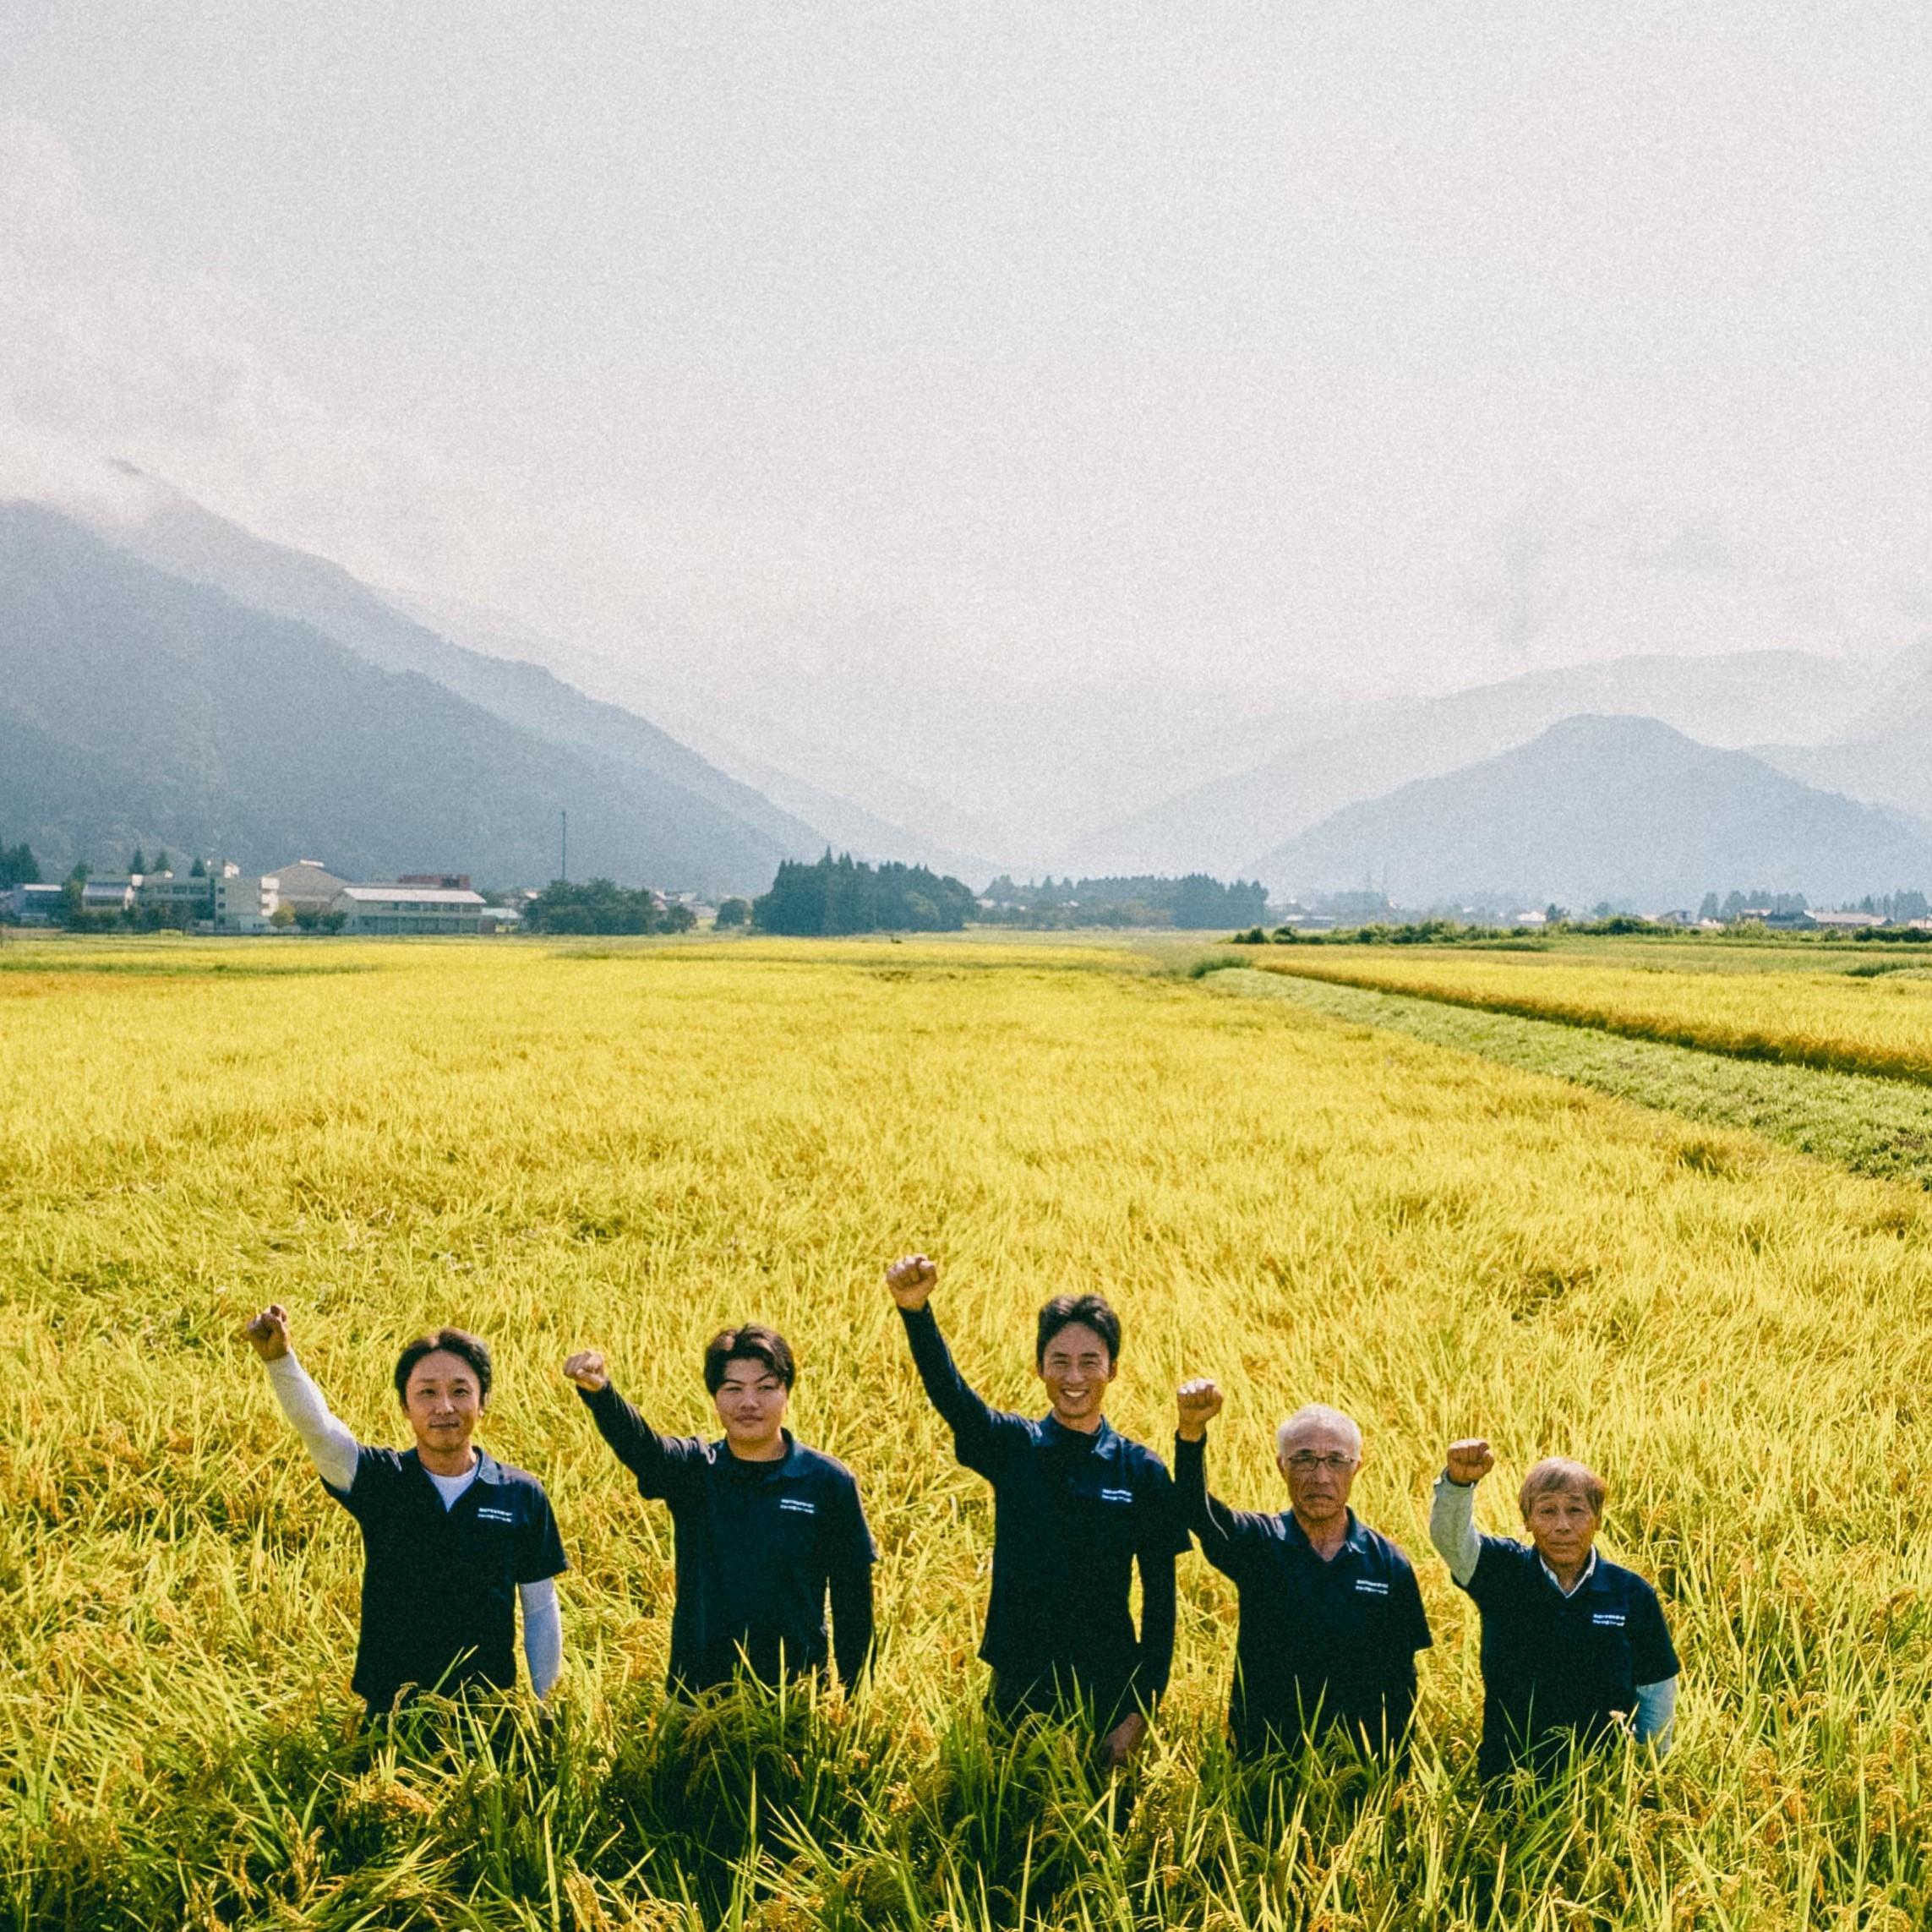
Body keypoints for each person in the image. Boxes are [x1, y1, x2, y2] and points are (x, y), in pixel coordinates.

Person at [885, 1253, 1187, 1771]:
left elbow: (1161, 1606)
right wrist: (916, 1311)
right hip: (1017, 1686)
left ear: (1112, 1368)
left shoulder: (1141, 1471)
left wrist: (1139, 1714)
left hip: (1106, 1692)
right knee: (1005, 1825)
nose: (1075, 1376)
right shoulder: (1014, 1448)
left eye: (1090, 1361)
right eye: (1060, 1360)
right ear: (1039, 1366)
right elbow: (952, 1397)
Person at [243, 1304, 566, 1718]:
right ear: (405, 1406)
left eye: (461, 1391)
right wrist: (280, 1361)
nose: (444, 1407)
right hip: (390, 1714)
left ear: (483, 1402)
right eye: (427, 1392)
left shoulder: (520, 1494)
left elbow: (540, 1607)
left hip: (486, 1717)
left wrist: (545, 1709)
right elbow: (321, 1431)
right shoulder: (383, 1482)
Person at [565, 1324, 875, 1695]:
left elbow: (853, 1603)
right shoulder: (695, 1470)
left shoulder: (827, 1482)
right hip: (696, 1697)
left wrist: (855, 1702)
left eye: (765, 1388)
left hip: (796, 1699)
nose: (749, 1402)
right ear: (715, 1397)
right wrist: (602, 1395)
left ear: (787, 1394)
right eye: (733, 1389)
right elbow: (645, 1449)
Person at [1174, 1379, 1430, 1759]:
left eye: (1335, 1461)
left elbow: (1402, 1679)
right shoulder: (1259, 1545)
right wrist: (1191, 1433)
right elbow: (1198, 1510)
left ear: (1357, 1466)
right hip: (1264, 1767)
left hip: (1358, 1772)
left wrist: (1395, 1775)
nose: (1320, 1477)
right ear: (1281, 1466)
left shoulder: (1388, 1563)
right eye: (1304, 1459)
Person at [1429, 1438, 1679, 1780]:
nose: (1562, 1525)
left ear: (1598, 1520)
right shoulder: (1503, 1574)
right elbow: (1452, 1542)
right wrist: (1458, 1486)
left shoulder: (1631, 1594)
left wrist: (1649, 1774)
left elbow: (1656, 1690)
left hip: (1600, 1786)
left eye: (1576, 1510)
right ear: (1528, 1520)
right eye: (1547, 1511)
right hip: (1511, 1782)